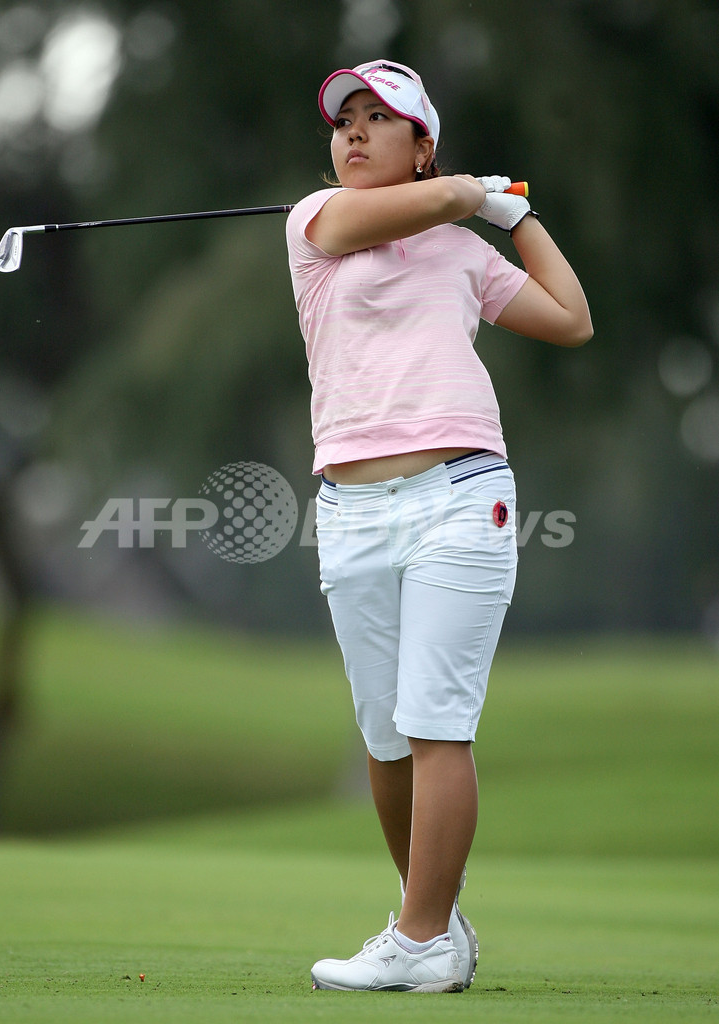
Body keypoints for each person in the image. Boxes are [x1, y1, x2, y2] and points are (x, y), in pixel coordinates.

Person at [285, 59, 592, 994]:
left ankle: (417, 938)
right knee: (385, 739)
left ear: (421, 145)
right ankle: (436, 928)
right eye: (345, 119)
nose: (353, 132)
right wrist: (466, 191)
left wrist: (515, 217)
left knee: (434, 724)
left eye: (379, 118)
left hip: (460, 495)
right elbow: (425, 204)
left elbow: (569, 320)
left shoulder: (462, 252)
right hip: (349, 511)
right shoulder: (316, 222)